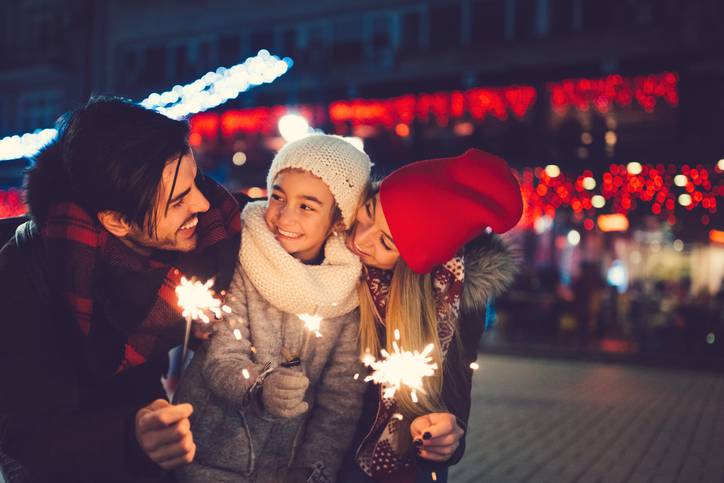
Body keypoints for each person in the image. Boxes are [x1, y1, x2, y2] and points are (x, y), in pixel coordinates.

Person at [0, 97, 243, 482]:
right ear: (116, 221)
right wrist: (132, 437)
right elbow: (26, 430)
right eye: (179, 199)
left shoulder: (214, 230)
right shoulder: (24, 279)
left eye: (194, 181)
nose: (201, 201)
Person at [174, 135, 371, 483]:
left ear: (339, 219)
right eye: (277, 196)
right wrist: (260, 385)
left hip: (285, 470)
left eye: (307, 206)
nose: (283, 216)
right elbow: (221, 358)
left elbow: (340, 401)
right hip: (208, 457)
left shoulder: (348, 290)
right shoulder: (243, 255)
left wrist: (314, 472)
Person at [340, 149, 523, 482]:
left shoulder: (454, 300)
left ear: (414, 261)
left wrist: (446, 436)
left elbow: (452, 400)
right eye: (369, 211)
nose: (359, 239)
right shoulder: (331, 251)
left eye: (386, 242)